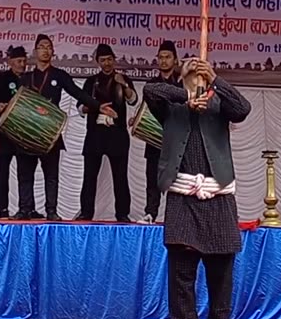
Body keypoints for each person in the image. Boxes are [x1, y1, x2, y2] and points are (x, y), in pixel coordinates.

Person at [143, 58, 250, 319]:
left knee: (221, 274)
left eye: (199, 68)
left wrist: (214, 78)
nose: (194, 71)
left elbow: (243, 109)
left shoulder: (220, 104)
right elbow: (151, 90)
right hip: (183, 196)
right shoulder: (170, 105)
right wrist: (186, 96)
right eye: (189, 68)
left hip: (217, 196)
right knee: (181, 274)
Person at [14, 34, 113, 221]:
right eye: (42, 46)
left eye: (49, 47)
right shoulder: (25, 78)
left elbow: (77, 93)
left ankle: (51, 210)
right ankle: (25, 208)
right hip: (27, 132)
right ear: (36, 51)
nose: (45, 50)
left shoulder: (59, 75)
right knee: (25, 173)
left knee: (51, 175)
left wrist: (98, 106)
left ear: (53, 52)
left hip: (50, 132)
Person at [75, 44, 137, 222]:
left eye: (109, 59)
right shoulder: (91, 82)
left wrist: (123, 84)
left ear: (114, 59)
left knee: (120, 176)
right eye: (103, 60)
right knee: (89, 176)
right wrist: (96, 108)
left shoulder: (123, 78)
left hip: (117, 134)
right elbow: (80, 108)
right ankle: (86, 212)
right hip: (95, 133)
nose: (107, 63)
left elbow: (133, 100)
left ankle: (122, 214)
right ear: (98, 62)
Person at [141, 40, 183, 224]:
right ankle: (150, 213)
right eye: (161, 57)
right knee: (153, 180)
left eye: (168, 57)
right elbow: (146, 111)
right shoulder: (151, 85)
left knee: (179, 182)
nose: (164, 61)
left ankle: (178, 218)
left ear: (175, 60)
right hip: (155, 142)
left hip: (176, 142)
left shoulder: (182, 85)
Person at [0, 45, 28, 219]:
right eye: (18, 61)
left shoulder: (29, 80)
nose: (22, 64)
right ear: (10, 62)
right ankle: (2, 209)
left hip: (23, 134)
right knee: (3, 171)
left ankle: (25, 208)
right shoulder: (1, 80)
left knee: (24, 172)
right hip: (4, 133)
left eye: (24, 61)